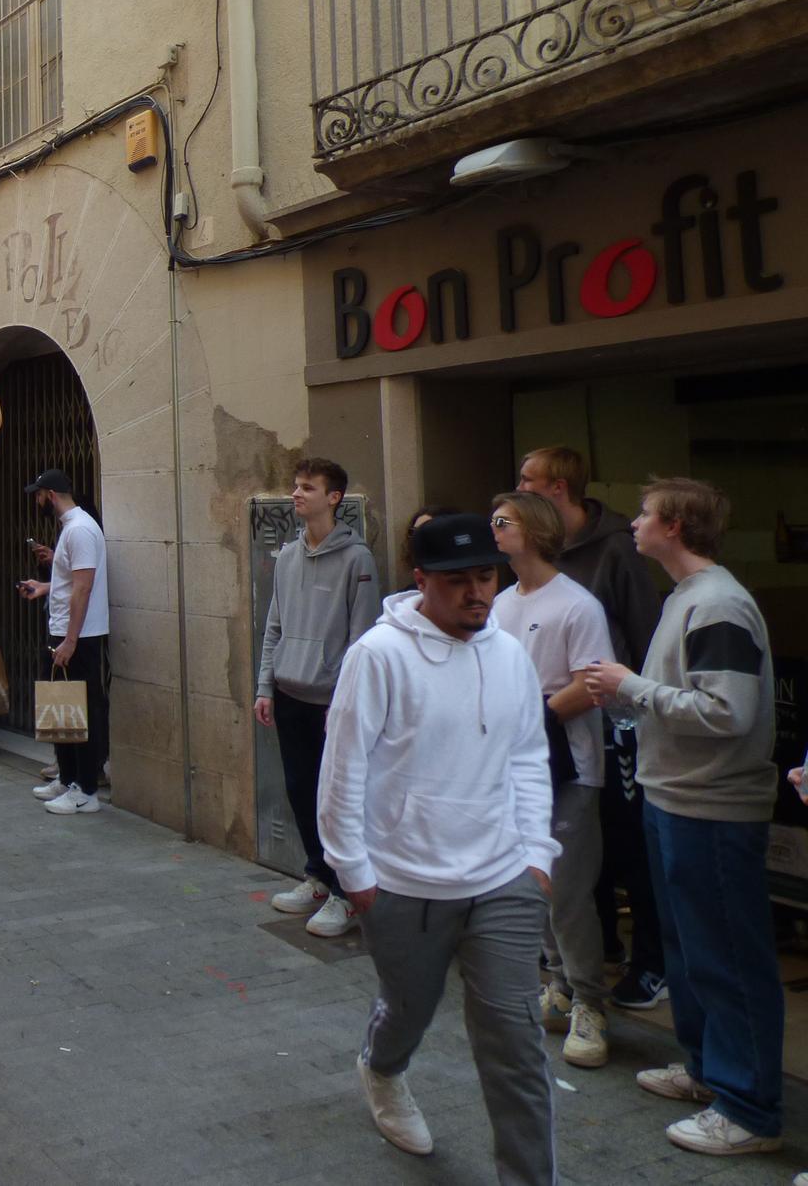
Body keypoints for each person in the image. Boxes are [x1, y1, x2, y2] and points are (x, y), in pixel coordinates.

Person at [319, 514, 558, 1184]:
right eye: (458, 581)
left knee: (517, 1047)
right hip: (402, 886)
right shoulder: (379, 656)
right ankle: (382, 1070)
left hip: (504, 880)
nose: (478, 592)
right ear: (421, 580)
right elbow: (343, 772)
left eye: (486, 576)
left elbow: (528, 758)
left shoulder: (508, 652)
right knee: (409, 1010)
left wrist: (536, 855)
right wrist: (357, 877)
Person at [585, 478, 782, 1158]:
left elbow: (730, 712)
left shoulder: (719, 605)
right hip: (676, 800)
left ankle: (749, 1109)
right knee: (692, 951)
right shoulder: (686, 599)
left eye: (644, 513)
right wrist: (624, 699)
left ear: (673, 525)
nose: (634, 523)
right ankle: (708, 1073)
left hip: (714, 809)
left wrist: (630, 687)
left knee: (726, 957)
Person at [518, 445, 665, 1009]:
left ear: (558, 489)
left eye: (528, 480)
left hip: (614, 726)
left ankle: (652, 963)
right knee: (578, 861)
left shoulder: (614, 552)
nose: (519, 488)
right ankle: (598, 952)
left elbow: (645, 634)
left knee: (631, 848)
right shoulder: (537, 558)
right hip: (558, 737)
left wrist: (635, 705)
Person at [489, 490, 615, 1069]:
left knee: (566, 890)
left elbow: (592, 683)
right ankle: (557, 983)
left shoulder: (576, 604)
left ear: (535, 530)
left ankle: (591, 1002)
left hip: (568, 766)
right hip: (513, 762)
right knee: (529, 881)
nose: (493, 528)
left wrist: (532, 717)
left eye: (504, 520)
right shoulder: (500, 602)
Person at [254, 458, 380, 937]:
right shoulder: (286, 556)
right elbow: (274, 627)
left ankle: (349, 894)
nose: (296, 494)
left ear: (334, 498)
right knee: (299, 789)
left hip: (332, 702)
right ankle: (319, 876)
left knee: (339, 799)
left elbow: (361, 638)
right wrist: (265, 687)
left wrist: (345, 701)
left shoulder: (357, 559)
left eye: (308, 487)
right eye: (295, 486)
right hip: (289, 694)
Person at [18, 470, 110, 815]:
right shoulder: (72, 529)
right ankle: (68, 776)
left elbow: (84, 588)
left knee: (79, 710)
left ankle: (85, 789)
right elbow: (71, 583)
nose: (37, 501)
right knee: (62, 707)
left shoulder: (81, 529)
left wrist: (70, 640)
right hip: (66, 631)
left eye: (38, 495)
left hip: (79, 636)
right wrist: (43, 588)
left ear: (51, 494)